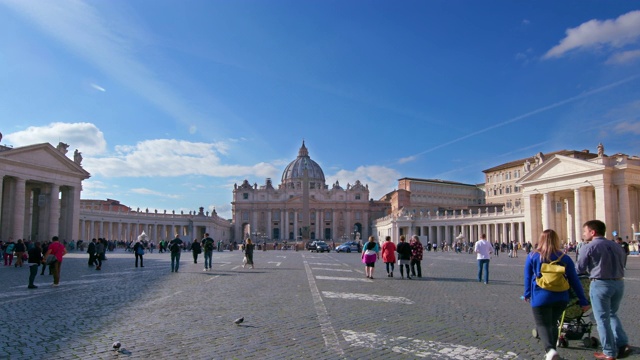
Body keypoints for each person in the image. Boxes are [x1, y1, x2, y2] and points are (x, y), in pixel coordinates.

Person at [523, 229, 590, 360]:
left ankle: (550, 350)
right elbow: (575, 281)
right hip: (561, 297)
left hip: (540, 296)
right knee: (553, 324)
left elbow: (527, 277)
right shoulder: (564, 258)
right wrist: (583, 300)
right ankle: (552, 353)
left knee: (542, 325)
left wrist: (527, 294)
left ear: (541, 240)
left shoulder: (533, 256)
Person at [577, 220, 632, 360]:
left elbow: (580, 268)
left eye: (585, 231)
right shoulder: (616, 245)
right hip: (619, 283)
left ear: (592, 232)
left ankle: (608, 352)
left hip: (600, 284)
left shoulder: (588, 246)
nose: (584, 234)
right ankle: (623, 343)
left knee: (601, 319)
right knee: (612, 314)